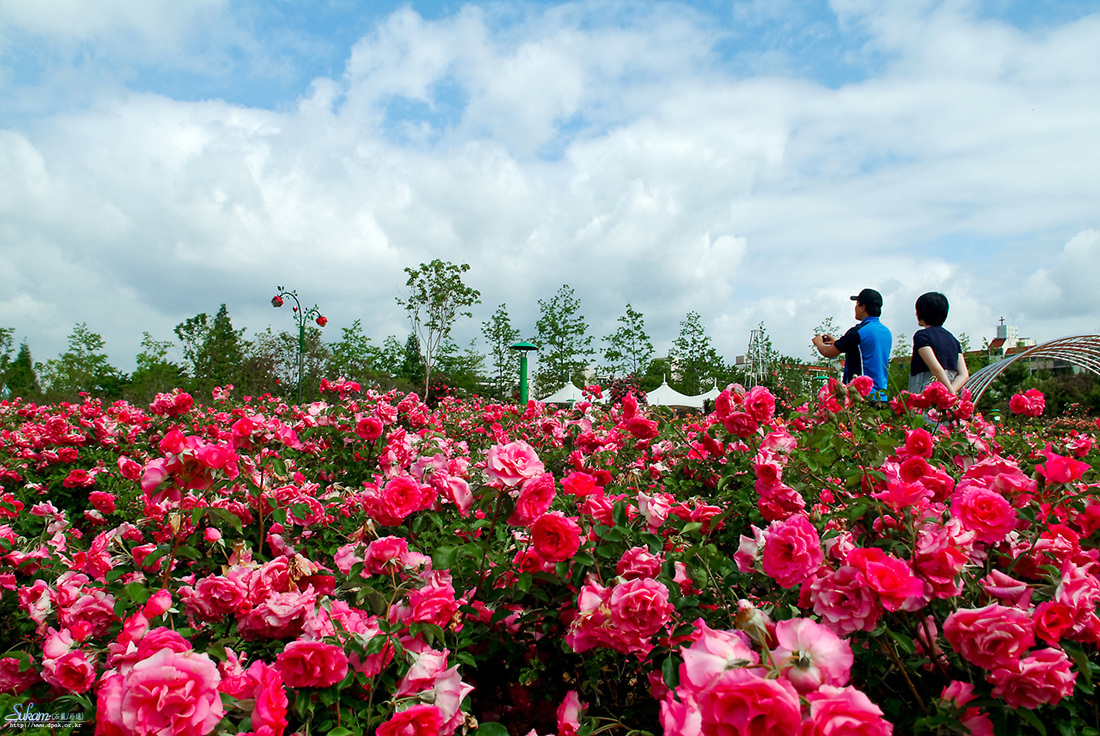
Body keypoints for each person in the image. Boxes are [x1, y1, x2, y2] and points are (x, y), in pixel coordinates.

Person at [813, 288, 892, 401]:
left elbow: (828, 352)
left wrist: (818, 342)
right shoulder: (886, 332)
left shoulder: (858, 332)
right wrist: (837, 342)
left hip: (861, 396)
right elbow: (866, 350)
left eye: (857, 304)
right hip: (881, 397)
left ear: (863, 307)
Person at [909, 291, 969, 395]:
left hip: (925, 392)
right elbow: (964, 374)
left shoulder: (921, 336)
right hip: (946, 394)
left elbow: (936, 369)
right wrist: (950, 393)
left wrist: (950, 392)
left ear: (921, 313)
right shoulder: (953, 340)